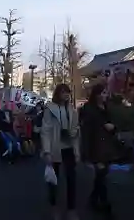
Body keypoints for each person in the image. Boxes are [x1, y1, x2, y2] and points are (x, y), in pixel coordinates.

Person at [41, 84, 80, 220]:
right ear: (58, 94)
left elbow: (75, 129)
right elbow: (45, 130)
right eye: (63, 92)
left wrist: (77, 149)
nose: (66, 95)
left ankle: (71, 209)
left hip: (69, 147)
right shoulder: (50, 109)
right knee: (53, 179)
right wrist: (46, 151)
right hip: (54, 147)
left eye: (68, 92)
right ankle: (54, 207)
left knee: (71, 179)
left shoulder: (72, 110)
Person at [80, 83, 118, 217]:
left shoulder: (107, 108)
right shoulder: (88, 109)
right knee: (101, 174)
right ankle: (104, 203)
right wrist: (86, 152)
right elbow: (86, 132)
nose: (105, 95)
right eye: (102, 93)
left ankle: (93, 199)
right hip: (95, 146)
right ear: (96, 95)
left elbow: (113, 124)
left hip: (107, 146)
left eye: (106, 93)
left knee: (102, 174)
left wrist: (112, 127)